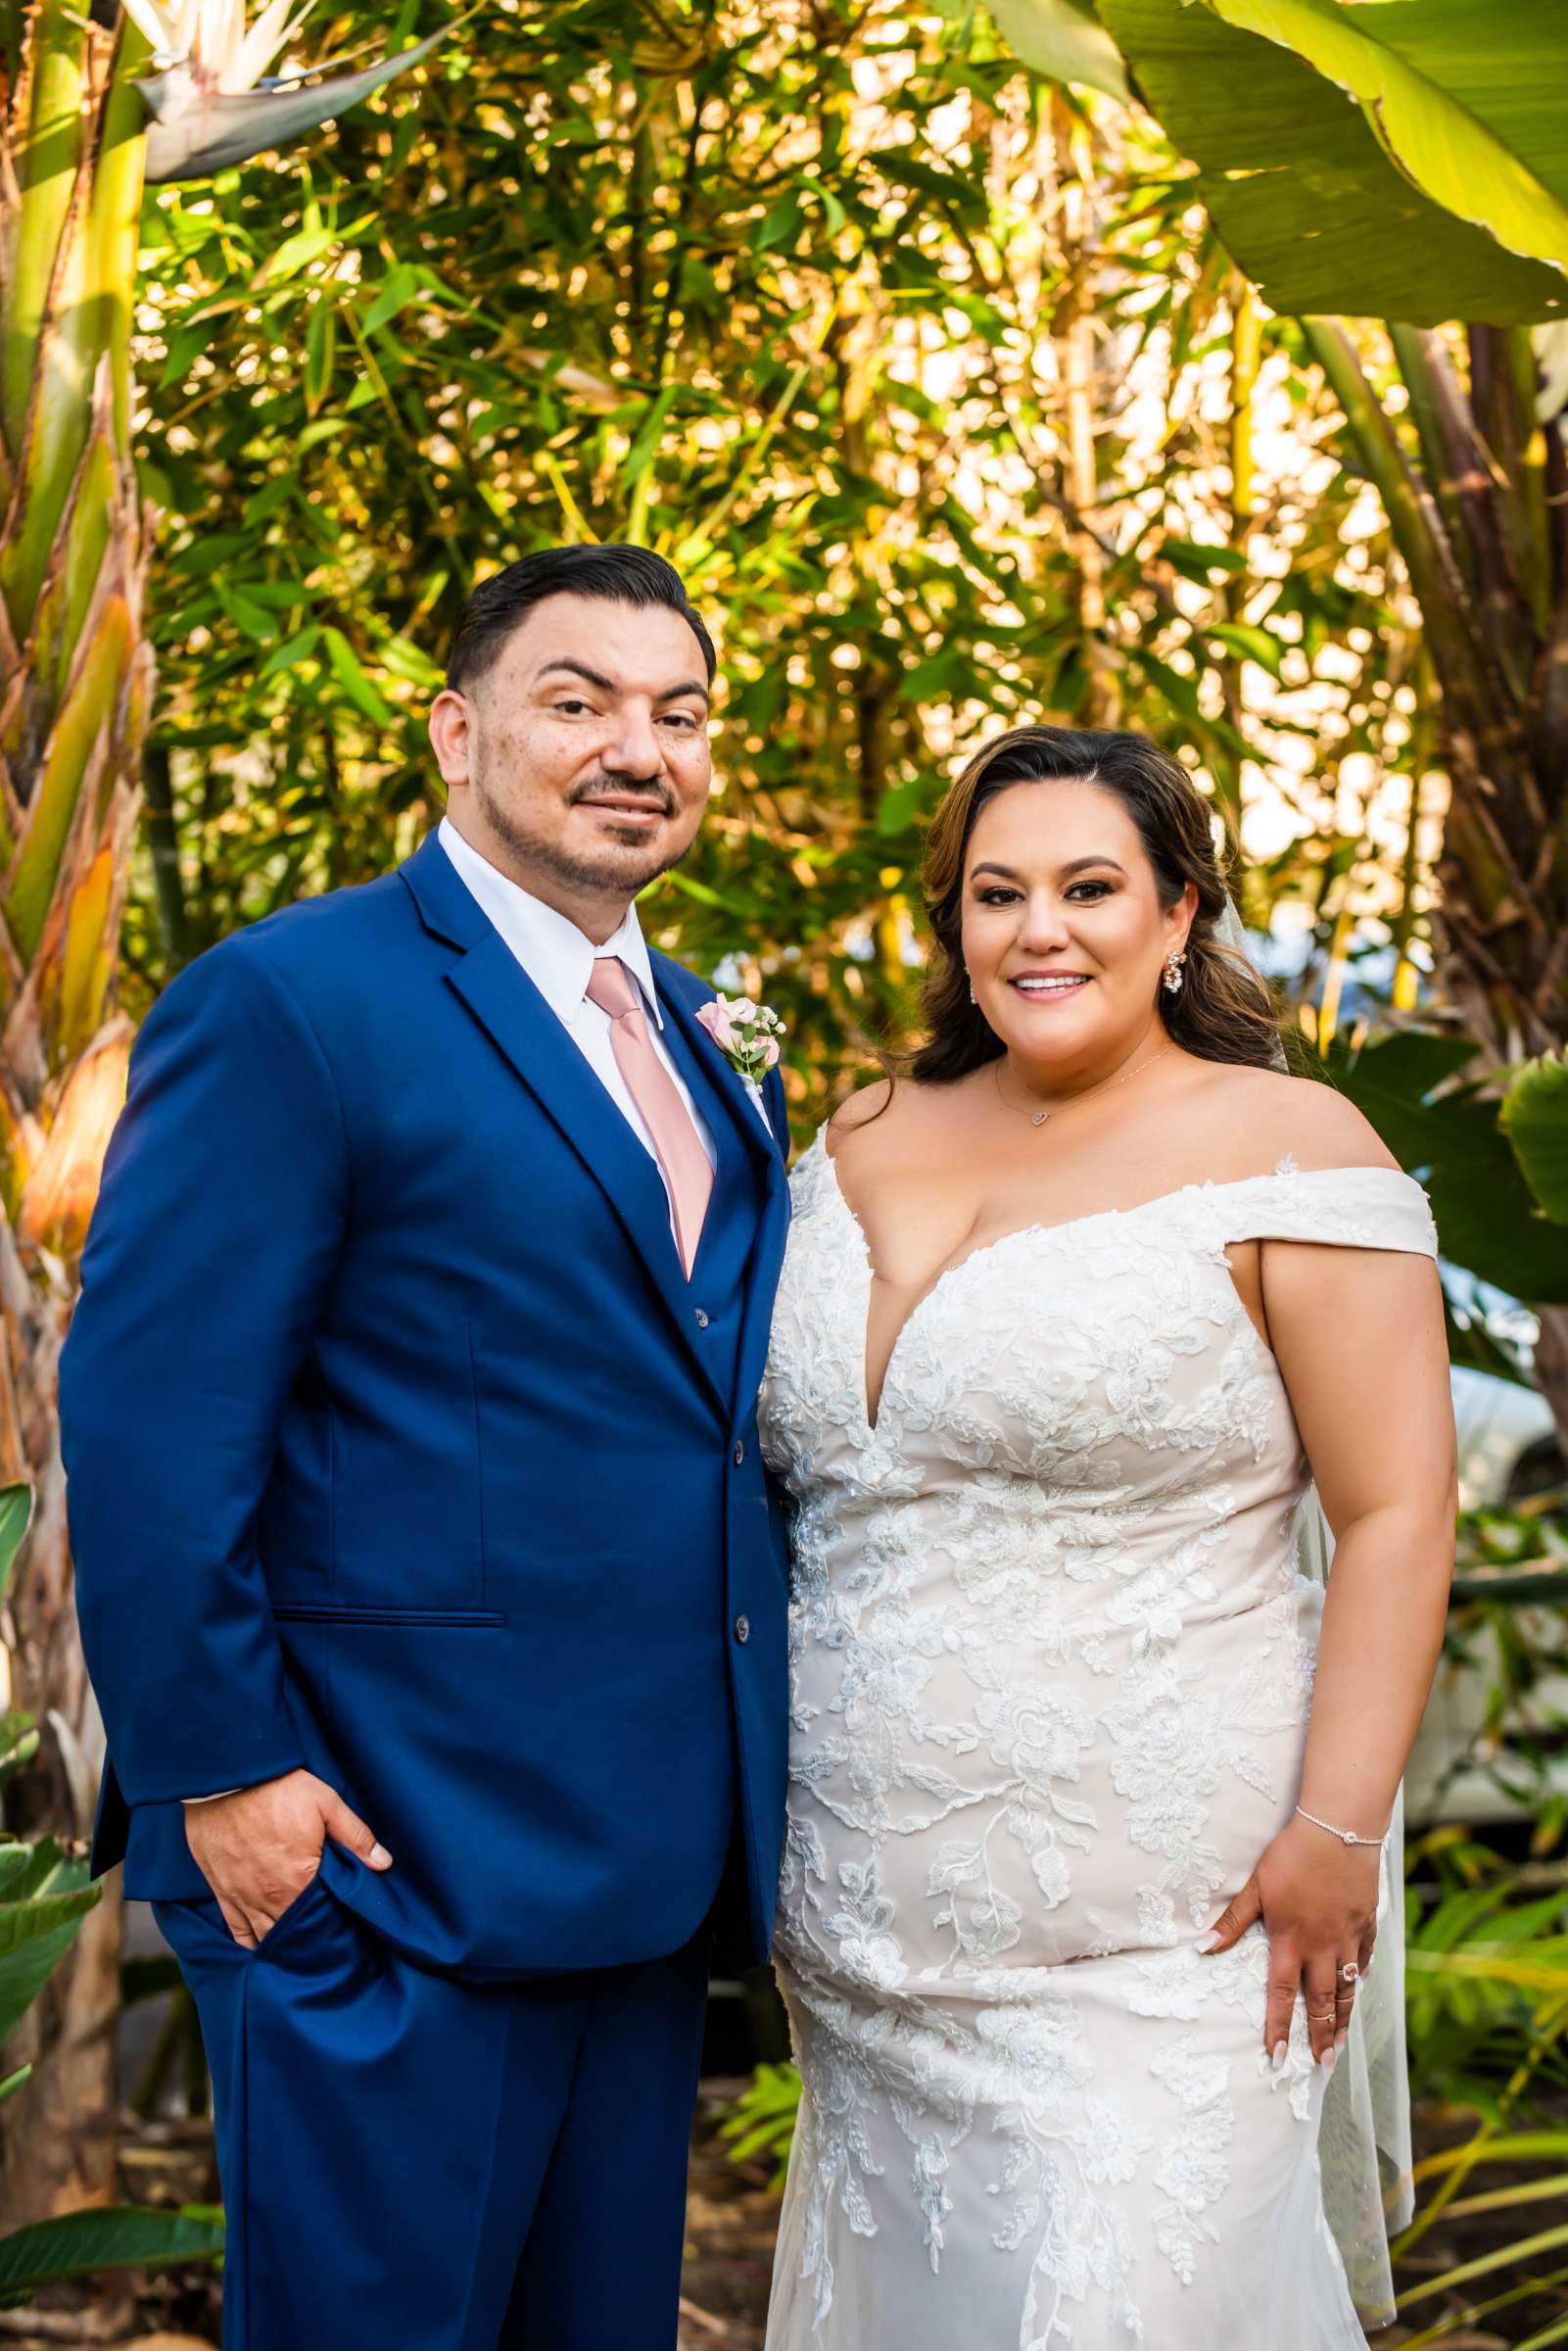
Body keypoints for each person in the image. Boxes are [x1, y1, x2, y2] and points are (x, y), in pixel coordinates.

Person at [60, 545, 792, 2351]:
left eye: (677, 714)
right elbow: (152, 1414)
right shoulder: (296, 1001)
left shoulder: (713, 1035)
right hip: (378, 1860)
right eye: (578, 702)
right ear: (458, 733)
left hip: (641, 1865)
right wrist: (223, 1777)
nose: (638, 747)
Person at [757, 724, 1456, 2349]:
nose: (1037, 929)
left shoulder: (1290, 1147)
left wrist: (1336, 1836)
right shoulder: (853, 1133)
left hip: (1175, 1935)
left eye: (1088, 887)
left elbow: (1393, 1508)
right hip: (862, 1941)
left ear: (1179, 912)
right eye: (995, 893)